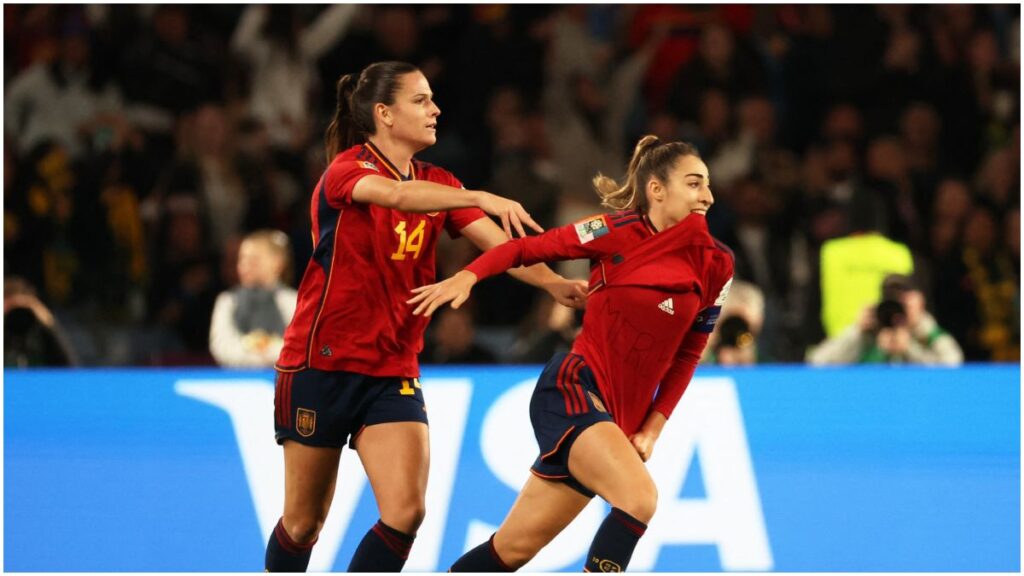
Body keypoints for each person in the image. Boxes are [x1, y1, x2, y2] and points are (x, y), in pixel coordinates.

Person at [265, 61, 587, 573]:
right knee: (304, 524)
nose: (435, 109)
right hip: (321, 364)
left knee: (406, 512)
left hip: (392, 368)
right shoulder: (348, 170)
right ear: (384, 114)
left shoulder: (438, 182)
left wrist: (556, 283)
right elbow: (395, 195)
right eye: (421, 101)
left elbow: (502, 247)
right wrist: (477, 193)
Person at [409, 135, 734, 573]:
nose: (708, 196)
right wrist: (469, 275)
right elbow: (524, 249)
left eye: (708, 185)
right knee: (639, 499)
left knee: (511, 550)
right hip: (573, 392)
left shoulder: (718, 263)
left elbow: (691, 351)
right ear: (657, 189)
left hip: (618, 418)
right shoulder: (611, 231)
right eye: (695, 184)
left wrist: (652, 427)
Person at [807, 273, 963, 365]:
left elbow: (954, 367)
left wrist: (910, 350)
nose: (899, 304)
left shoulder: (928, 332)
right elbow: (817, 362)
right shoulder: (871, 332)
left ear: (920, 301)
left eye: (904, 297)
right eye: (893, 297)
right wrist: (856, 331)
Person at [209, 229, 297, 368]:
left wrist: (269, 348)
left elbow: (301, 346)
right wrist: (251, 349)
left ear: (277, 263)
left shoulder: (295, 301)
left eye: (254, 260)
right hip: (236, 380)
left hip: (284, 380)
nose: (244, 266)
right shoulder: (227, 301)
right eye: (241, 259)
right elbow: (221, 347)